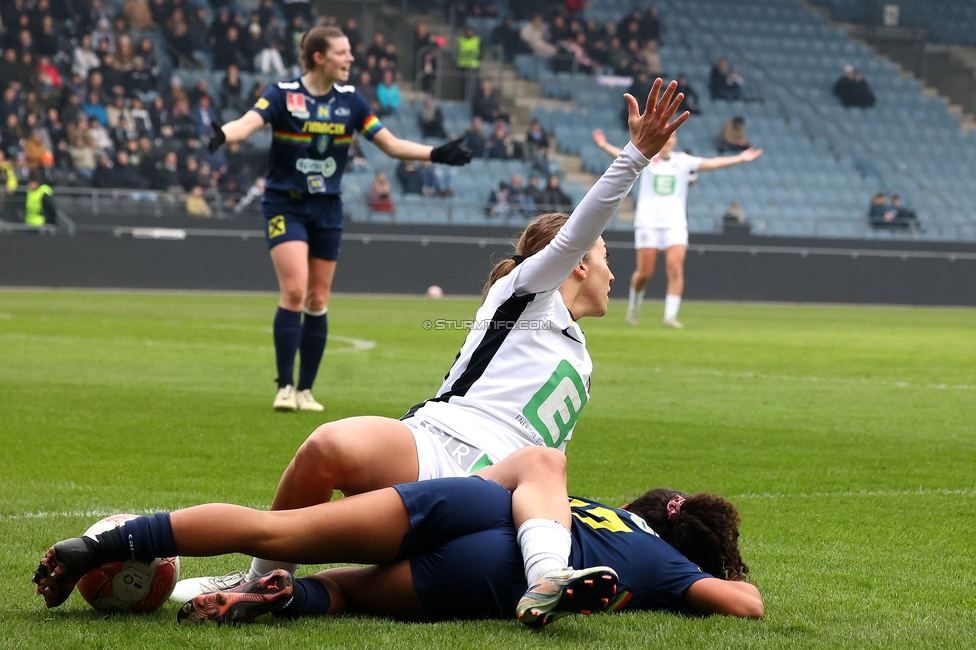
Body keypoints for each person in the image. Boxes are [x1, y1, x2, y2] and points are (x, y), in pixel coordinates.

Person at [169, 79, 690, 597]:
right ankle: (259, 578)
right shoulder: (526, 289)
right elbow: (580, 228)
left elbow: (547, 465)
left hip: (495, 496)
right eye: (604, 259)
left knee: (362, 585)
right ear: (575, 265)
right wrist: (634, 157)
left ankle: (534, 577)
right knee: (327, 445)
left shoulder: (581, 360)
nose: (612, 274)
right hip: (435, 441)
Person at [34, 448, 763, 626]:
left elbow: (506, 468)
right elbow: (747, 606)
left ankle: (100, 547)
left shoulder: (588, 503)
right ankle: (285, 602)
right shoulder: (665, 563)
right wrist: (729, 581)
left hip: (472, 504)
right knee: (347, 593)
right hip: (491, 573)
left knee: (276, 528)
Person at [207, 26, 472, 413]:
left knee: (317, 298)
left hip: (327, 208)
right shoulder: (282, 95)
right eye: (343, 53)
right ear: (319, 57)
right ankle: (284, 385)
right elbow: (248, 123)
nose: (351, 59)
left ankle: (306, 390)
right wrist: (223, 134)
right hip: (286, 204)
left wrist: (436, 154)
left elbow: (391, 144)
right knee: (295, 292)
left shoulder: (352, 102)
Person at [592, 127, 762, 328]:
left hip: (675, 224)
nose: (669, 141)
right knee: (645, 272)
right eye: (666, 137)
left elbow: (712, 163)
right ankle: (634, 307)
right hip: (648, 223)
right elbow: (624, 157)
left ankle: (670, 316)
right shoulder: (648, 159)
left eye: (672, 137)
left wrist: (740, 158)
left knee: (675, 268)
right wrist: (603, 146)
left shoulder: (682, 161)